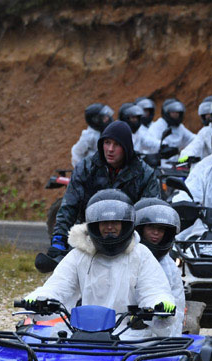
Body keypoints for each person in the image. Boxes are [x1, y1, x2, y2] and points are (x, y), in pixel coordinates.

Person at [25, 190, 176, 337]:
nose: (109, 227)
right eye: (104, 222)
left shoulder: (140, 254)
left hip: (129, 334)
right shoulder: (79, 254)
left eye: (114, 222)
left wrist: (160, 304)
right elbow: (58, 286)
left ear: (125, 224)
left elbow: (153, 289)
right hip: (84, 332)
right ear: (94, 225)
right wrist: (39, 299)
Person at [39, 120, 161, 272]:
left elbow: (150, 213)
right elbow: (69, 207)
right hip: (88, 237)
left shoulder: (145, 174)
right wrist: (58, 239)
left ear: (127, 148)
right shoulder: (85, 168)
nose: (110, 149)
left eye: (116, 145)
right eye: (107, 143)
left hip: (128, 241)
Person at [134, 198, 185, 336]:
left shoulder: (169, 267)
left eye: (161, 229)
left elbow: (178, 309)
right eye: (151, 227)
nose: (156, 233)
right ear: (140, 228)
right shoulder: (128, 258)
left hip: (158, 338)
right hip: (125, 333)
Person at [71, 103, 113, 168]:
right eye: (104, 118)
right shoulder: (89, 136)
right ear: (95, 120)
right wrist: (81, 170)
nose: (107, 119)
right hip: (94, 169)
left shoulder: (109, 129)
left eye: (107, 116)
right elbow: (76, 152)